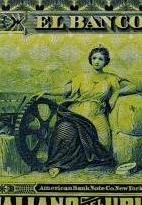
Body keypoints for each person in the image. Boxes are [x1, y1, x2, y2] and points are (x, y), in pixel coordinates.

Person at [47, 46, 136, 175]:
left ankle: (76, 162)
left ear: (106, 62)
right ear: (90, 59)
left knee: (103, 146)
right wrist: (46, 92)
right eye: (94, 58)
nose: (97, 61)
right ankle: (57, 165)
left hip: (97, 116)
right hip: (77, 113)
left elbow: (133, 86)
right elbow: (65, 90)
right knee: (66, 130)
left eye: (101, 59)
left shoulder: (111, 78)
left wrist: (117, 92)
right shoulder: (81, 77)